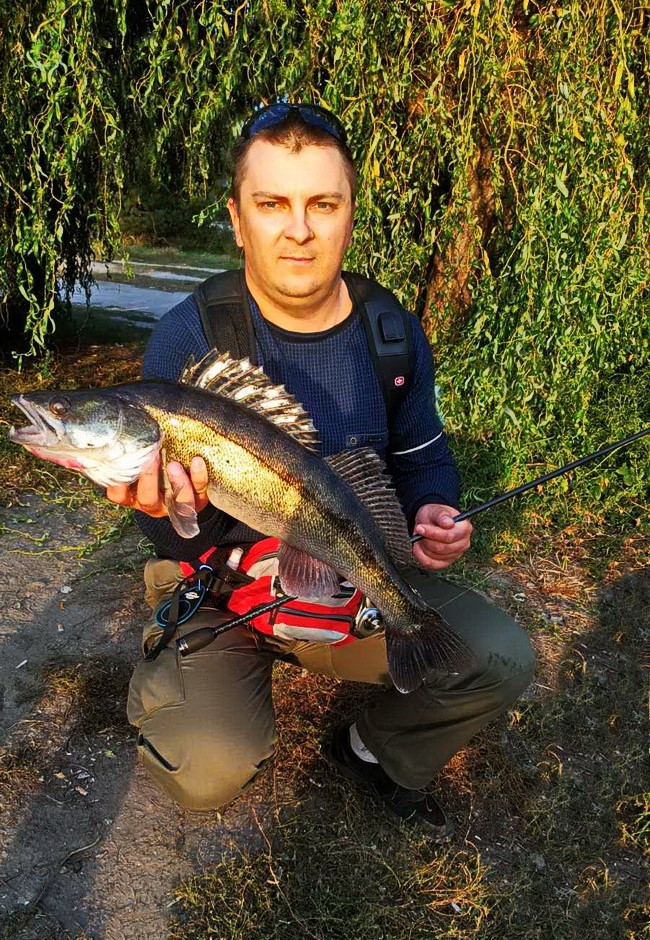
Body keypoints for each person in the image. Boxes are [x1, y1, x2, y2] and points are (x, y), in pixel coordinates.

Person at [108, 103, 535, 836]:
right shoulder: (189, 338)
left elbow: (424, 456)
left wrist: (434, 508)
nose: (299, 229)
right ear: (237, 218)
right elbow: (173, 532)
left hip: (357, 581)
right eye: (272, 203)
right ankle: (191, 675)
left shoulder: (390, 331)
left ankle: (373, 748)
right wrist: (166, 517)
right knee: (205, 767)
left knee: (498, 657)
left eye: (322, 204)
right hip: (226, 593)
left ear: (349, 215)